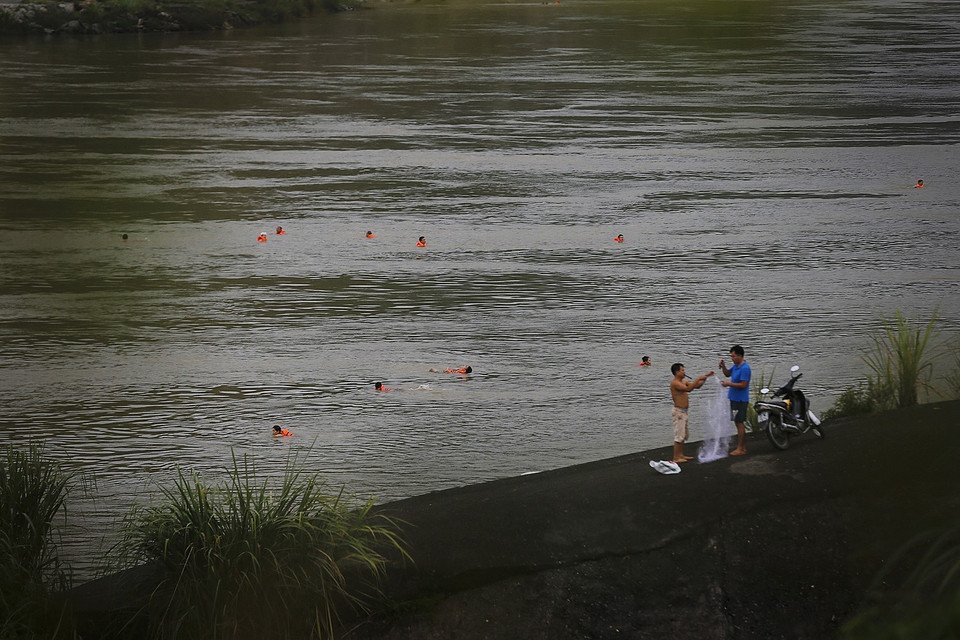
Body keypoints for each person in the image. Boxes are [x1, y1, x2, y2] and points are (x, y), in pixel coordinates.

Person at [669, 363, 714, 463]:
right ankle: (676, 457)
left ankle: (681, 455)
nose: (684, 372)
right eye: (682, 370)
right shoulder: (675, 383)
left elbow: (696, 386)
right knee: (679, 435)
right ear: (676, 372)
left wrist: (705, 377)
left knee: (683, 435)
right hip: (678, 412)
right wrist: (698, 378)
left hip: (684, 412)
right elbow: (688, 389)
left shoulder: (683, 381)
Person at [719, 344, 751, 456]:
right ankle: (742, 447)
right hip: (734, 399)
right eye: (731, 356)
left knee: (739, 422)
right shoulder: (736, 366)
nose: (732, 358)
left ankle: (741, 448)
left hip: (741, 400)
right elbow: (728, 374)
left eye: (733, 356)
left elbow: (743, 385)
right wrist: (723, 366)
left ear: (739, 356)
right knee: (737, 423)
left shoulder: (745, 368)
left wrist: (729, 384)